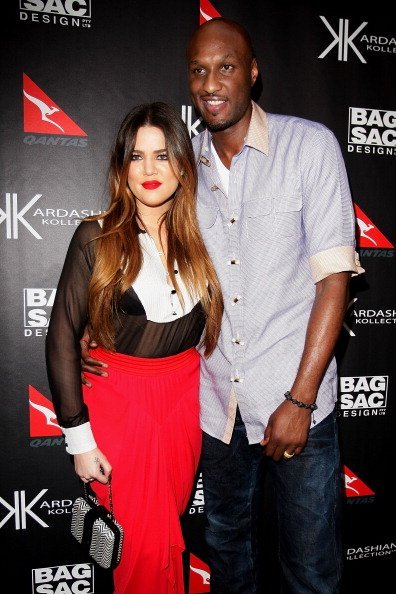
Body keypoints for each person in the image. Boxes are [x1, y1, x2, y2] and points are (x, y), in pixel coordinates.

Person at [79, 17, 365, 594]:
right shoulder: (186, 173)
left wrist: (301, 399)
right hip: (215, 408)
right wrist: (98, 322)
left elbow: (333, 280)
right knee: (230, 561)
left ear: (253, 73)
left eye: (226, 67)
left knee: (311, 572)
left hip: (295, 404)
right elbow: (142, 249)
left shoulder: (309, 147)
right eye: (199, 70)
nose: (211, 82)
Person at [45, 101, 224, 594]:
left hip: (183, 406)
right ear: (122, 168)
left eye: (162, 155)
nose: (149, 169)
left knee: (168, 536)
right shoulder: (96, 236)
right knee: (141, 550)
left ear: (182, 166)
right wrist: (79, 441)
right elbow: (62, 332)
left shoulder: (203, 239)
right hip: (119, 406)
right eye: (137, 156)